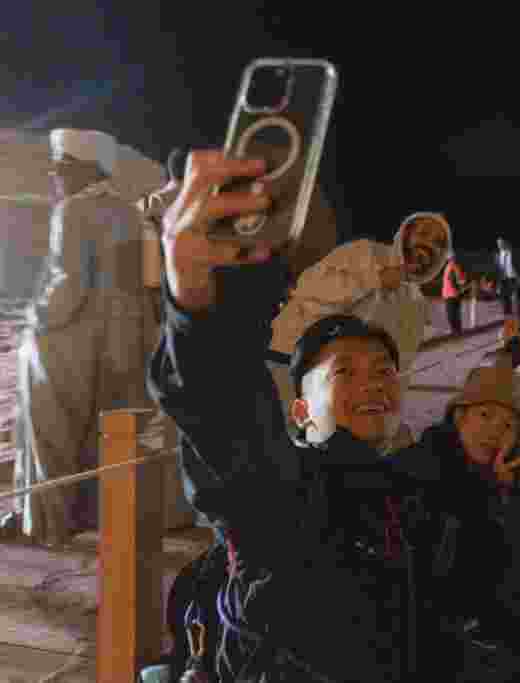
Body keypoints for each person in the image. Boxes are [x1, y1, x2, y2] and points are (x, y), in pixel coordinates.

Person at [149, 150, 467, 681]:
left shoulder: (413, 496)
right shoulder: (286, 493)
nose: (374, 383)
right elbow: (226, 414)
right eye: (347, 372)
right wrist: (198, 305)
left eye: (382, 372)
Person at [11, 129, 159, 545]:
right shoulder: (127, 212)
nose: (55, 177)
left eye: (61, 168)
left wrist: (34, 321)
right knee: (110, 437)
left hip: (74, 341)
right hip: (124, 343)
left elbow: (68, 285)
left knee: (50, 431)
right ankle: (101, 522)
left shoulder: (72, 211)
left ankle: (47, 524)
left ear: (83, 170)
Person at [388, 365, 520, 681]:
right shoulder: (416, 471)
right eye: (485, 415)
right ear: (460, 417)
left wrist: (511, 501)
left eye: (508, 425)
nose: (495, 431)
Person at [269, 211, 452, 451]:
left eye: (439, 243)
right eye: (424, 233)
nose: (429, 244)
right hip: (286, 362)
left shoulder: (415, 304)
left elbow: (400, 367)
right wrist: (373, 280)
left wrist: (389, 424)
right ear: (406, 232)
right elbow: (309, 294)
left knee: (314, 455)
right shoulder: (364, 253)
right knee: (274, 445)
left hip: (335, 391)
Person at [442, 253, 469, 334]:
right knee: (455, 314)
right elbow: (461, 279)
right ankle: (457, 331)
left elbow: (458, 279)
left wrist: (458, 289)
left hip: (451, 294)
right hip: (452, 294)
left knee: (452, 315)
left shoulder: (452, 266)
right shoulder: (453, 266)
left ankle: (456, 332)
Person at [496, 237, 520, 316]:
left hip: (512, 276)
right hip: (504, 277)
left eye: (501, 243)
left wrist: (518, 279)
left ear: (505, 243)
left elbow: (514, 266)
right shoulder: (500, 253)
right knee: (504, 295)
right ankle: (507, 313)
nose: (499, 245)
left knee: (515, 295)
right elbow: (500, 267)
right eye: (498, 243)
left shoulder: (511, 252)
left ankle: (516, 313)